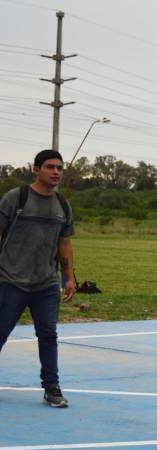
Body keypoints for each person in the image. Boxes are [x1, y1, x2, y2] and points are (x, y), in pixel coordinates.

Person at [0, 149, 75, 408]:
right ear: (36, 169)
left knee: (48, 335)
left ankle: (51, 388)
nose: (56, 172)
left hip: (46, 284)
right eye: (50, 167)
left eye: (59, 168)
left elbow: (64, 244)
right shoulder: (15, 198)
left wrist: (69, 277)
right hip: (10, 280)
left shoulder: (63, 205)